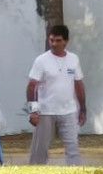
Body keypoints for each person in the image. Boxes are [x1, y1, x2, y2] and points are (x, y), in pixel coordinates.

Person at [26, 24, 87, 166]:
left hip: (69, 111)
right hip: (45, 111)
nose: (54, 44)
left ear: (66, 41)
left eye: (58, 40)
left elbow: (78, 84)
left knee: (73, 148)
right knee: (40, 150)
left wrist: (83, 109)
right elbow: (31, 86)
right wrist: (33, 111)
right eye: (51, 40)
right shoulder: (41, 60)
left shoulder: (74, 59)